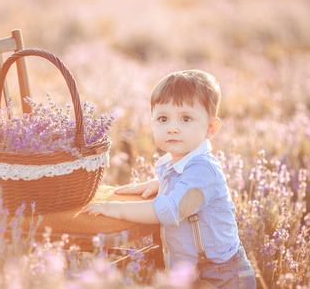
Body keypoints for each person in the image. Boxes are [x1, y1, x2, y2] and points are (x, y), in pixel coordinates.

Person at [82, 69, 256, 288]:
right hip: (191, 272)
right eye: (163, 118)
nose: (172, 128)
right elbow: (183, 188)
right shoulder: (174, 163)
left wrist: (117, 209)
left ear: (210, 128)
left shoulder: (203, 169)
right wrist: (158, 184)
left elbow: (173, 209)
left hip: (221, 275)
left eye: (186, 118)